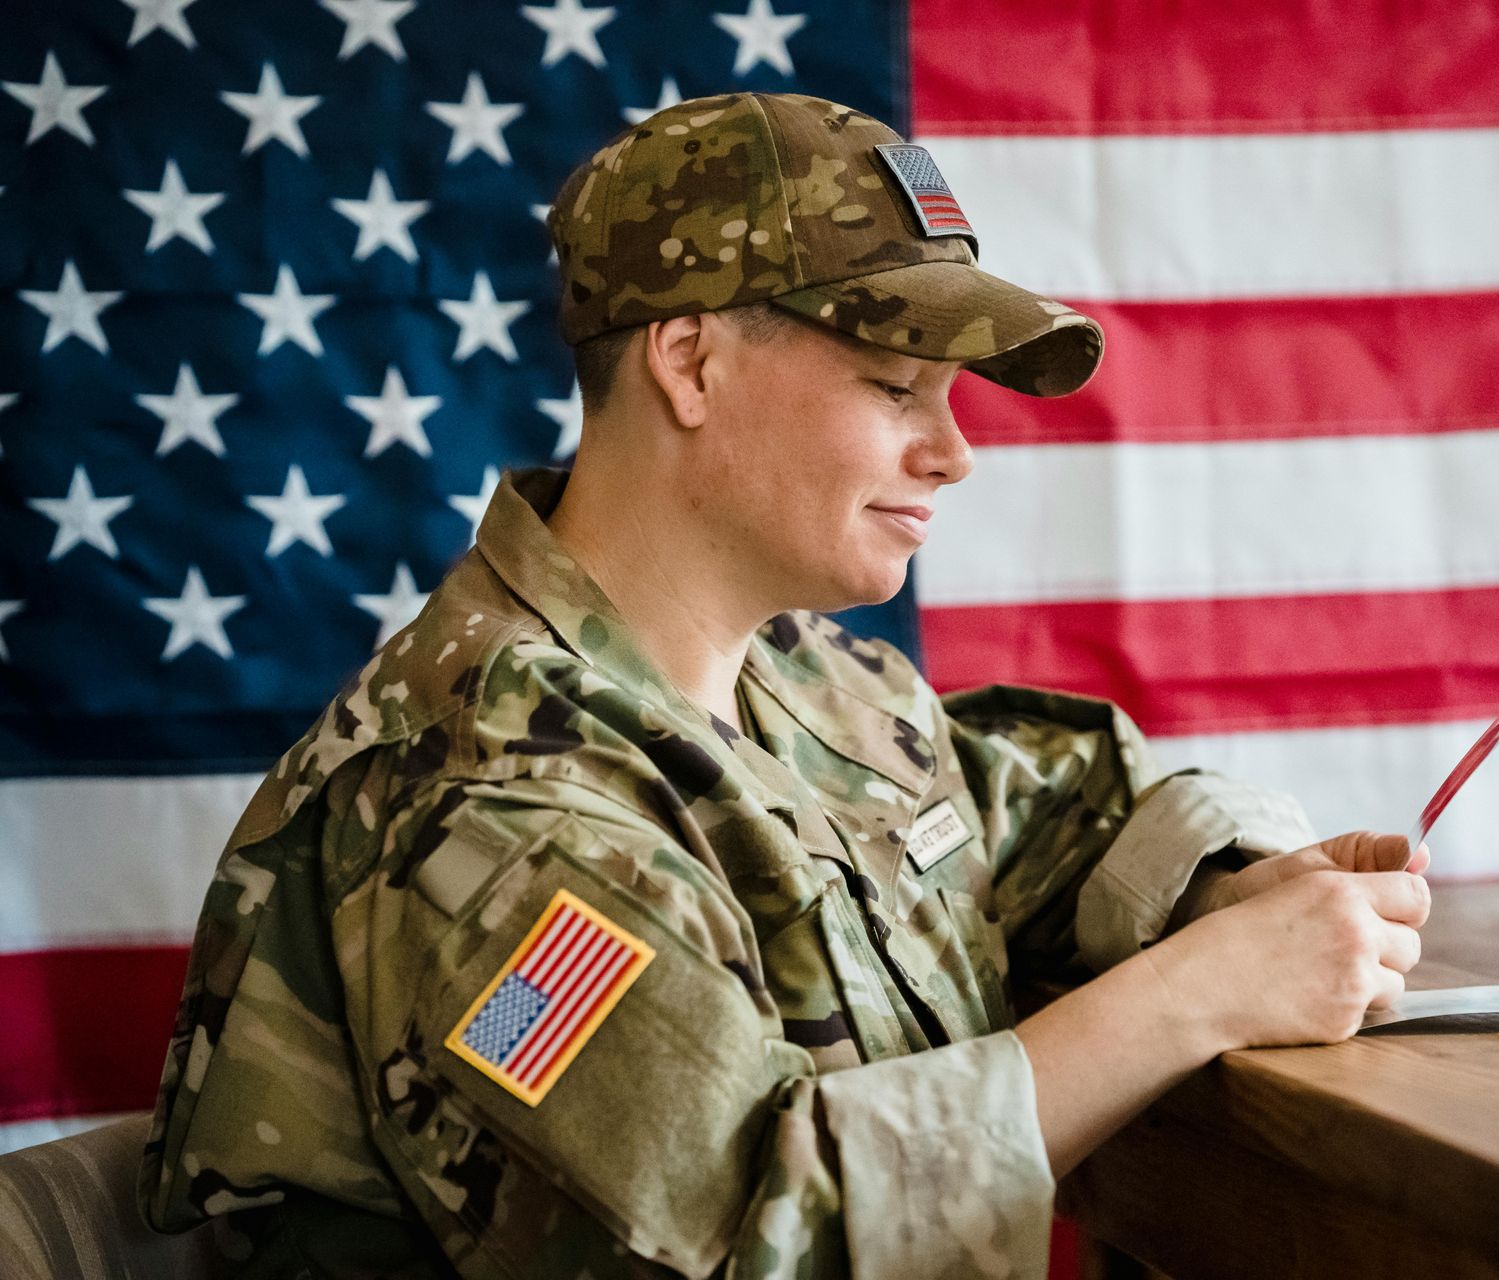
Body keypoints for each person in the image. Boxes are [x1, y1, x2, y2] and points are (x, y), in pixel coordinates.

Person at [138, 91, 1430, 1279]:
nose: (954, 452)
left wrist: (1232, 886)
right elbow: (766, 1230)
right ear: (690, 364)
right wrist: (1200, 991)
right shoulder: (484, 808)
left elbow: (1054, 810)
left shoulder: (807, 689)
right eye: (895, 386)